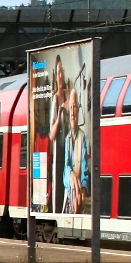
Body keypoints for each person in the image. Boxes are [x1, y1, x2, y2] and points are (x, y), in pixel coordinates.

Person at [47, 56, 69, 213]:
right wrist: (61, 112)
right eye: (59, 72)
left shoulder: (71, 96)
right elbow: (52, 135)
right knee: (59, 191)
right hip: (59, 153)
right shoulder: (55, 99)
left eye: (63, 72)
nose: (60, 76)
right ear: (55, 75)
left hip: (70, 150)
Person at [62, 90, 89, 214]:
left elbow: (84, 166)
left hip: (79, 189)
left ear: (78, 110)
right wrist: (71, 175)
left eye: (75, 107)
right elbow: (66, 166)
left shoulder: (82, 136)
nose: (72, 112)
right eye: (71, 107)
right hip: (70, 187)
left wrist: (83, 188)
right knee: (72, 185)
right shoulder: (66, 138)